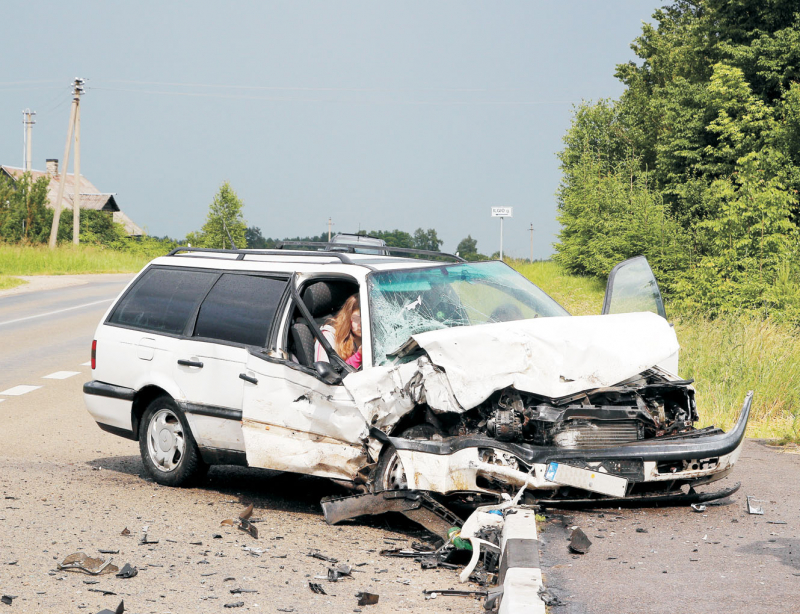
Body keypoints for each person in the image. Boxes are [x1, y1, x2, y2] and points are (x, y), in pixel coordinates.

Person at [314, 294, 362, 369]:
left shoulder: (373, 337)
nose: (361, 324)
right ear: (348, 317)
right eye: (357, 319)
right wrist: (359, 356)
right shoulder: (328, 335)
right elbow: (325, 374)